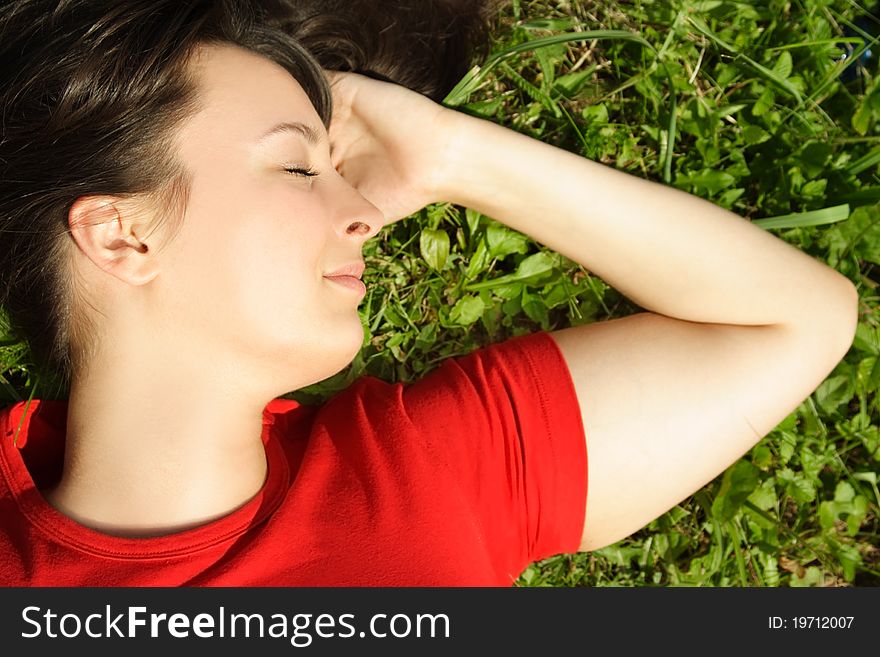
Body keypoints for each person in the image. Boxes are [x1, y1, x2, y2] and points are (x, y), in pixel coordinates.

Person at [0, 0, 858, 586]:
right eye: (300, 167)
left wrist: (451, 157)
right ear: (123, 233)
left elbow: (794, 319)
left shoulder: (423, 474)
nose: (365, 213)